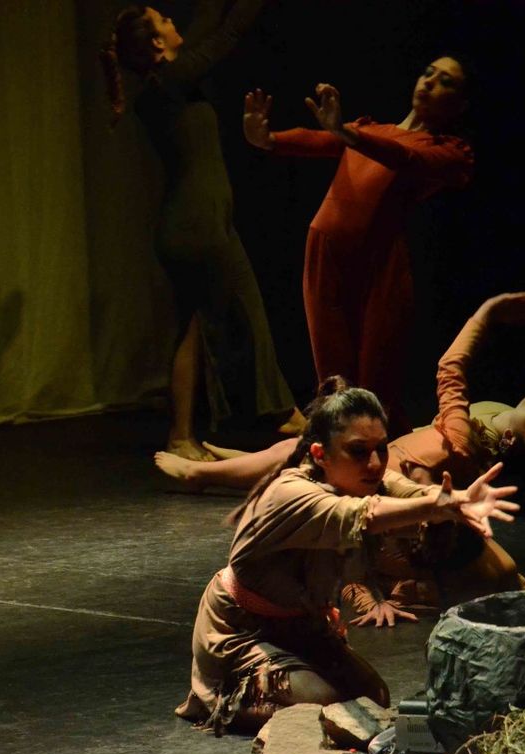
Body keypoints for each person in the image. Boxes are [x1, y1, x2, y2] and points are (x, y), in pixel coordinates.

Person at [155, 292, 525, 622]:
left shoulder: (461, 436)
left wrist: (485, 313)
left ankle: (201, 471)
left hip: (383, 475)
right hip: (385, 465)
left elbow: (451, 366)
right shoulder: (500, 424)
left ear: (508, 444)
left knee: (287, 460)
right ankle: (225, 461)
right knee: (289, 455)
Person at [174, 380, 518, 735]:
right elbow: (364, 514)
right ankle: (217, 696)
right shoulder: (291, 493)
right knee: (324, 705)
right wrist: (438, 505)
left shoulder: (371, 478)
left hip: (301, 622)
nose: (375, 463)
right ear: (320, 454)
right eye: (358, 451)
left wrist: (449, 504)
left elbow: (412, 494)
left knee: (374, 697)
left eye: (381, 448)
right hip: (241, 626)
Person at [100, 2, 303, 461]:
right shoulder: (170, 82)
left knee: (193, 327)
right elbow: (225, 36)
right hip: (197, 224)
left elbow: (207, 24)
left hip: (197, 222)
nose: (174, 22)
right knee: (245, 315)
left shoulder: (166, 84)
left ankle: (183, 435)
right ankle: (281, 415)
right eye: (164, 20)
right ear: (156, 43)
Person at [242, 56, 475, 433]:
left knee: (375, 387)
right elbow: (321, 139)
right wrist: (267, 139)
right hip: (326, 251)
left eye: (446, 81)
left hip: (379, 265)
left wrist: (347, 134)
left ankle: (385, 455)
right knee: (334, 382)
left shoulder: (448, 151)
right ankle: (325, 449)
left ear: (461, 104)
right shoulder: (371, 130)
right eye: (428, 72)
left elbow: (403, 156)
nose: (430, 82)